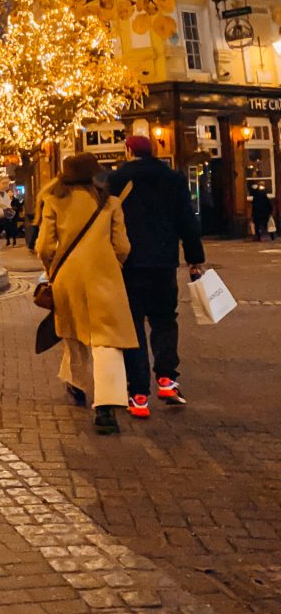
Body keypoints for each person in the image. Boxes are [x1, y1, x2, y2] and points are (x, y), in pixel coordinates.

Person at [37, 152, 137, 435]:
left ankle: (78, 385)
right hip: (105, 275)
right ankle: (106, 407)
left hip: (68, 276)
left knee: (73, 333)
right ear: (94, 175)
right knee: (107, 341)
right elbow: (123, 246)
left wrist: (52, 268)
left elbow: (45, 246)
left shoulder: (54, 202)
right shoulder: (111, 203)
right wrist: (111, 264)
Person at [106, 135, 205, 417]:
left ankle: (138, 395)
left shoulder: (116, 180)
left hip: (129, 263)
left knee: (133, 326)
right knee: (165, 319)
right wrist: (195, 258)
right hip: (163, 261)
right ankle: (166, 378)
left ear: (127, 151)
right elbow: (187, 219)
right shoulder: (172, 178)